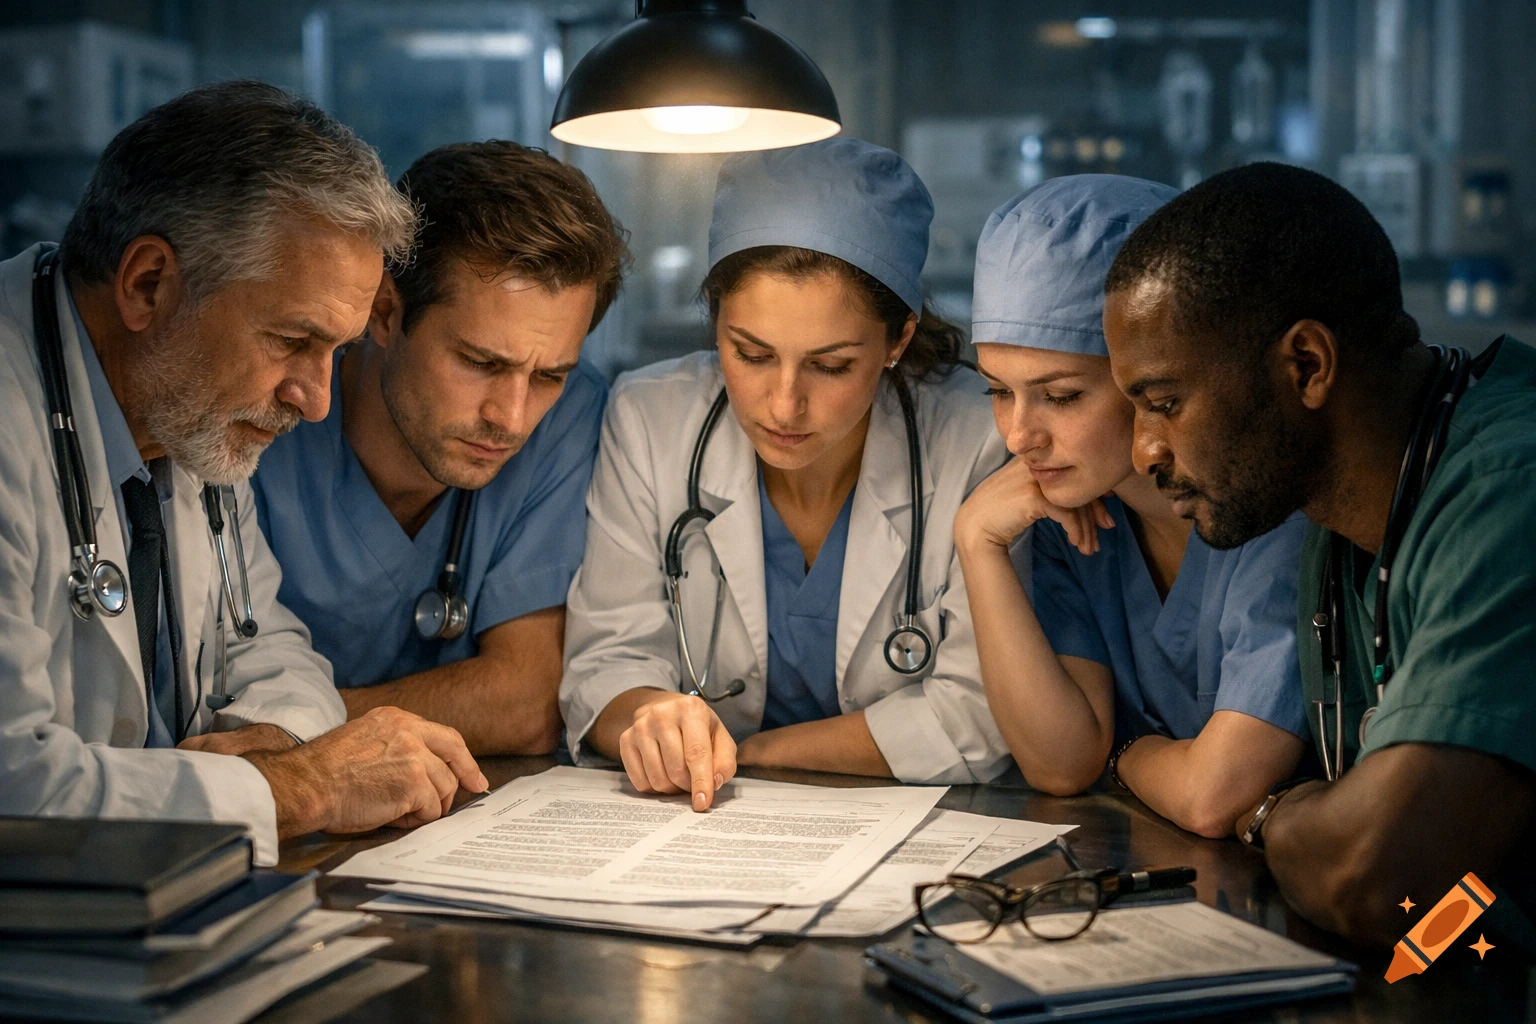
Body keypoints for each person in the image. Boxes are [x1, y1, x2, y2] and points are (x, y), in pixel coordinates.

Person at [0, 81, 487, 868]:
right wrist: (302, 786)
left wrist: (274, 738)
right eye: (293, 341)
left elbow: (271, 645)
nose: (316, 402)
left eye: (336, 352)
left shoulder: (186, 417)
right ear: (148, 284)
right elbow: (14, 787)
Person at [1102, 161, 1536, 945]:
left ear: (1306, 364)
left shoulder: (1509, 492)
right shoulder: (1336, 527)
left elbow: (1377, 878)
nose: (1143, 452)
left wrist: (1274, 812)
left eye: (1164, 404)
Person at [560, 139, 1011, 809]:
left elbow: (979, 712)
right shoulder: (651, 420)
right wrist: (647, 716)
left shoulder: (978, 438)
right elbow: (607, 661)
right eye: (751, 354)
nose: (783, 405)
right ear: (714, 321)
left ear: (898, 339)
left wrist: (751, 756)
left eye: (830, 366)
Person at [953, 175, 1310, 839]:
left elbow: (1214, 795)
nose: (1019, 436)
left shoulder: (1269, 516)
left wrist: (1125, 757)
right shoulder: (1070, 518)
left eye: (1061, 396)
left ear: (1149, 377)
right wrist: (977, 542)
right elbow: (1061, 765)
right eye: (998, 392)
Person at [251, 141, 627, 756]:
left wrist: (286, 732)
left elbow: (525, 703)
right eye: (480, 362)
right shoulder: (266, 415)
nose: (511, 419)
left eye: (548, 376)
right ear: (384, 312)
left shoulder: (572, 413)